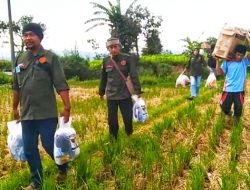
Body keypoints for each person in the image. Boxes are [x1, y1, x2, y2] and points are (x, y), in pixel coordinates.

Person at [12, 23, 71, 190]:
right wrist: (14, 108)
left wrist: (67, 107)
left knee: (49, 145)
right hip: (27, 114)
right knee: (30, 149)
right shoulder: (20, 60)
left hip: (46, 113)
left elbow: (61, 84)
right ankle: (36, 183)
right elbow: (16, 86)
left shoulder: (51, 58)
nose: (27, 38)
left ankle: (63, 168)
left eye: (31, 34)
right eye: (25, 35)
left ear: (39, 37)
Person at [99, 37, 142, 139]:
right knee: (112, 120)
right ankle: (114, 139)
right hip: (111, 95)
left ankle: (129, 134)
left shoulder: (127, 59)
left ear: (119, 47)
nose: (113, 49)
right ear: (108, 48)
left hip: (125, 94)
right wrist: (101, 92)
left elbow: (134, 75)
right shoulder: (106, 61)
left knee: (127, 117)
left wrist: (137, 90)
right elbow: (103, 78)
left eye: (115, 47)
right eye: (110, 47)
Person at [215, 44, 250, 123]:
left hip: (240, 90)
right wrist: (217, 61)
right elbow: (219, 72)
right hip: (228, 88)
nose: (239, 57)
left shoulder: (245, 61)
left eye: (241, 55)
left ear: (244, 55)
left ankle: (236, 121)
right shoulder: (228, 61)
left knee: (238, 108)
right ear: (234, 53)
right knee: (224, 107)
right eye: (238, 54)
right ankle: (228, 113)